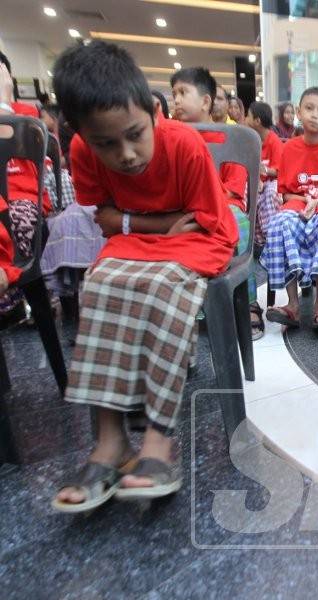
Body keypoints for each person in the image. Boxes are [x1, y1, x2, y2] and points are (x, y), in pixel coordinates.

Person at [49, 41, 237, 512]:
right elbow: (106, 219)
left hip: (202, 234)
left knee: (162, 285)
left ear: (154, 112)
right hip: (143, 237)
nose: (126, 155)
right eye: (106, 144)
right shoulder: (81, 150)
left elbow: (207, 223)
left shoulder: (185, 145)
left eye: (135, 134)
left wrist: (139, 224)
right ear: (81, 135)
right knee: (102, 282)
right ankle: (110, 442)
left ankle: (157, 443)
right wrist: (151, 225)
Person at [170, 66, 263, 338]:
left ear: (206, 101)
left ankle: (247, 302)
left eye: (183, 92)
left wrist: (204, 207)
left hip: (222, 207)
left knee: (239, 220)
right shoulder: (171, 138)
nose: (175, 100)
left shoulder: (230, 138)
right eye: (173, 93)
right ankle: (187, 308)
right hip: (183, 211)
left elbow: (233, 191)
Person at [260, 87, 318, 332]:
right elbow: (285, 193)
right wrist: (304, 201)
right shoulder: (290, 148)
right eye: (308, 108)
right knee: (280, 222)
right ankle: (293, 305)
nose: (314, 115)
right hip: (298, 203)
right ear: (298, 112)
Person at [0, 54, 53, 319]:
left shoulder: (24, 114)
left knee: (15, 220)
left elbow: (7, 137)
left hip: (21, 197)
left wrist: (3, 102)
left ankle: (10, 294)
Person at [245, 100, 283, 300]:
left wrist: (263, 172)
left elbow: (279, 171)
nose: (245, 119)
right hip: (256, 183)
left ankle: (271, 244)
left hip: (271, 184)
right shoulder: (250, 140)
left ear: (257, 120)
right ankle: (254, 245)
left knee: (269, 193)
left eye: (248, 116)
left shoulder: (274, 141)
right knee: (248, 193)